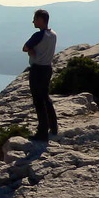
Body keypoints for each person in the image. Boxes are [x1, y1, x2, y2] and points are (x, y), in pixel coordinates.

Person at [22, 8, 58, 142]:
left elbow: (25, 47)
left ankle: (42, 132)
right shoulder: (53, 34)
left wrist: (30, 50)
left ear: (42, 20)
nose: (33, 22)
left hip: (37, 70)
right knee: (46, 98)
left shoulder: (38, 35)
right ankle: (53, 127)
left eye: (35, 19)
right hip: (47, 68)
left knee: (38, 101)